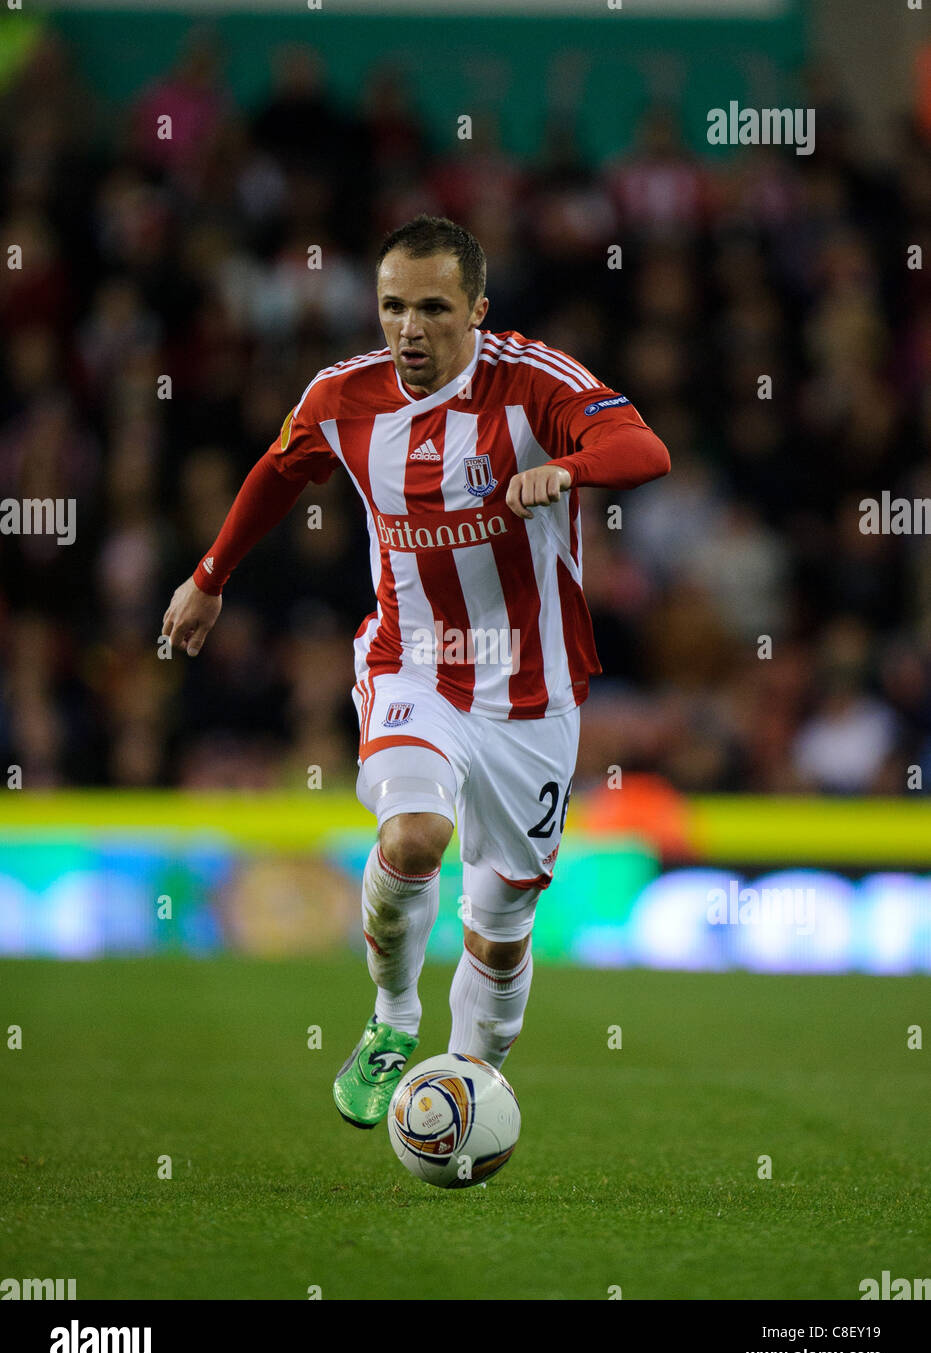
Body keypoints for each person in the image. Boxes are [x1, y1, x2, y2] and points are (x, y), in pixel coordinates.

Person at [162, 214, 670, 1128]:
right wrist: (209, 578)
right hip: (414, 664)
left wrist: (566, 468)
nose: (409, 328)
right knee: (411, 840)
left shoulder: (535, 382)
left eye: (434, 308)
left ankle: (461, 1087)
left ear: (477, 310)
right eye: (394, 306)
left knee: (501, 929)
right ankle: (393, 1020)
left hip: (532, 688)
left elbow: (645, 450)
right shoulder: (342, 398)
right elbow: (278, 473)